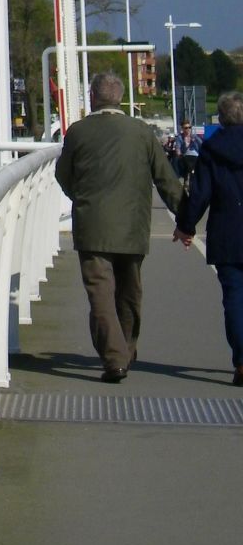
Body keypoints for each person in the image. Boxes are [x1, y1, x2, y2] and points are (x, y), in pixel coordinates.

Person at [55, 71, 182, 382]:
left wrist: (81, 197)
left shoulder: (78, 132)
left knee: (100, 293)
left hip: (92, 225)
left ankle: (115, 358)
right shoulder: (141, 132)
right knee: (129, 291)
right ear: (121, 98)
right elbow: (165, 178)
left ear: (93, 97)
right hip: (133, 225)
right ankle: (126, 347)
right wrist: (186, 219)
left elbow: (63, 175)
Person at [173, 92, 243, 386]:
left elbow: (200, 194)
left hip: (227, 234)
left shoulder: (212, 151)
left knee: (235, 298)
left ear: (222, 119)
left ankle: (242, 360)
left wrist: (186, 227)